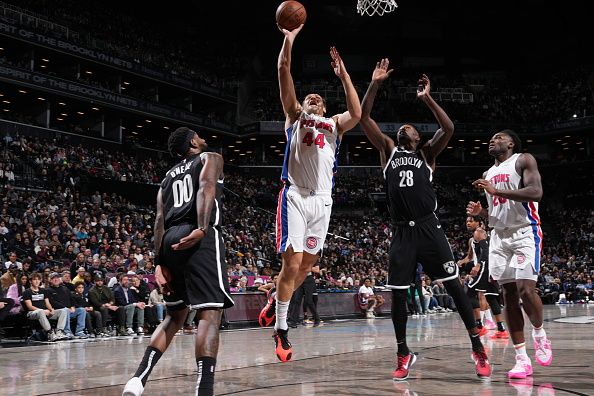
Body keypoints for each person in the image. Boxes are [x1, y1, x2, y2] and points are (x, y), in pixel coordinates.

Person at [359, 58, 491, 380]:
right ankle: (403, 353)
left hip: (430, 229)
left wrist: (427, 99)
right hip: (402, 233)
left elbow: (449, 128)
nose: (405, 127)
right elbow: (363, 117)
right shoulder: (388, 150)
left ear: (418, 138)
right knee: (399, 296)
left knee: (456, 289)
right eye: (403, 127)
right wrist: (375, 83)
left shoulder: (427, 155)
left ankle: (477, 346)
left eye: (411, 127)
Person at [259, 23, 361, 363]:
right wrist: (289, 40)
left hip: (323, 200)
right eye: (309, 97)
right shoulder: (295, 117)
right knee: (292, 264)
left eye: (318, 97)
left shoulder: (334, 124)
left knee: (306, 267)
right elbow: (283, 70)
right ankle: (283, 330)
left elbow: (357, 114)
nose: (313, 98)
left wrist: (344, 75)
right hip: (295, 197)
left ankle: (276, 299)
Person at [123, 127, 233, 396]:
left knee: (175, 316)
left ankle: (137, 381)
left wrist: (158, 262)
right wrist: (203, 228)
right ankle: (203, 390)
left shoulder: (165, 180)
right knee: (209, 314)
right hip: (196, 235)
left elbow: (159, 220)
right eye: (198, 135)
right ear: (193, 142)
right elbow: (206, 188)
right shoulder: (210, 158)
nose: (203, 137)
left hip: (169, 241)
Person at [468, 129, 552, 379]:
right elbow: (498, 211)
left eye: (498, 137)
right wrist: (482, 212)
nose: (492, 140)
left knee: (527, 290)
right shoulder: (487, 174)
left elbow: (536, 193)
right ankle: (522, 359)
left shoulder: (523, 159)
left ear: (511, 143)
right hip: (499, 236)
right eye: (490, 139)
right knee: (508, 295)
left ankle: (539, 334)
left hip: (525, 232)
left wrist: (497, 192)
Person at [458, 216, 509, 339]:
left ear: (478, 223)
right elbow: (470, 256)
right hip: (490, 269)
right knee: (491, 298)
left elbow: (485, 251)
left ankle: (480, 327)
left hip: (484, 268)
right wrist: (461, 262)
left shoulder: (479, 232)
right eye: (467, 221)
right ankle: (501, 330)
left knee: (469, 293)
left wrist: (478, 266)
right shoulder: (472, 239)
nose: (468, 223)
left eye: (471, 221)